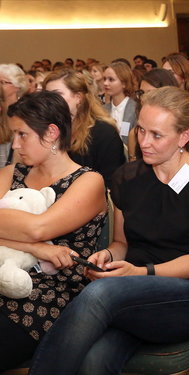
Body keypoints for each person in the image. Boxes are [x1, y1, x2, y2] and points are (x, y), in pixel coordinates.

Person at [28, 86, 189, 375]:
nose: (144, 142)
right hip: (130, 296)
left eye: (156, 135)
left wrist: (140, 273)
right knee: (93, 363)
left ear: (184, 136)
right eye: (141, 130)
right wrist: (107, 255)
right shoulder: (127, 177)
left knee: (100, 294)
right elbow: (122, 242)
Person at [0, 91, 106, 371]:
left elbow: (38, 227)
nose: (15, 144)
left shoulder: (87, 181)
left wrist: (34, 240)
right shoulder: (13, 173)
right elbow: (35, 237)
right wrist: (37, 249)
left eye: (23, 135)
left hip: (48, 294)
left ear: (51, 133)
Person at [43, 69, 126, 188]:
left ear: (78, 97)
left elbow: (111, 183)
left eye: (57, 95)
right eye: (47, 95)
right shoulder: (46, 128)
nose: (49, 101)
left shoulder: (103, 132)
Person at [103, 62, 138, 145]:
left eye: (111, 79)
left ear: (124, 83)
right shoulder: (102, 110)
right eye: (104, 79)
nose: (105, 83)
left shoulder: (135, 109)